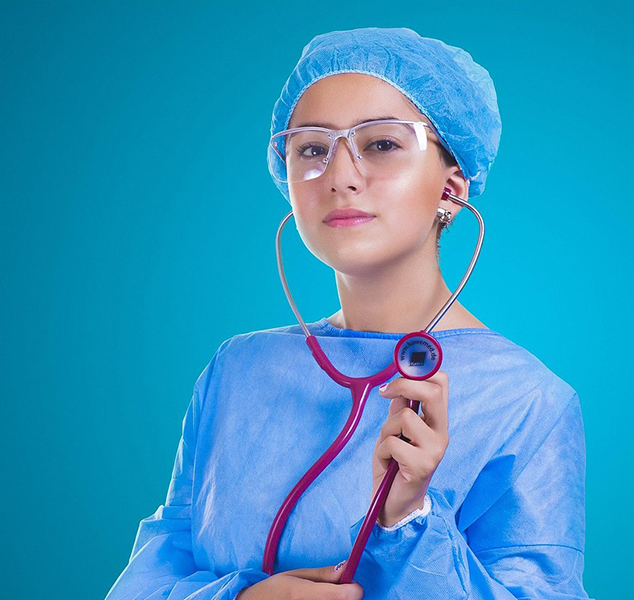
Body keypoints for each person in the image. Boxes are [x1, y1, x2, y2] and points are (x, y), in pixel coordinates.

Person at [105, 27, 593, 599]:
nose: (340, 176)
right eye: (311, 148)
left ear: (452, 189)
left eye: (382, 144)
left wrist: (408, 519)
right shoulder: (237, 370)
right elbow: (154, 571)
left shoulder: (528, 400)